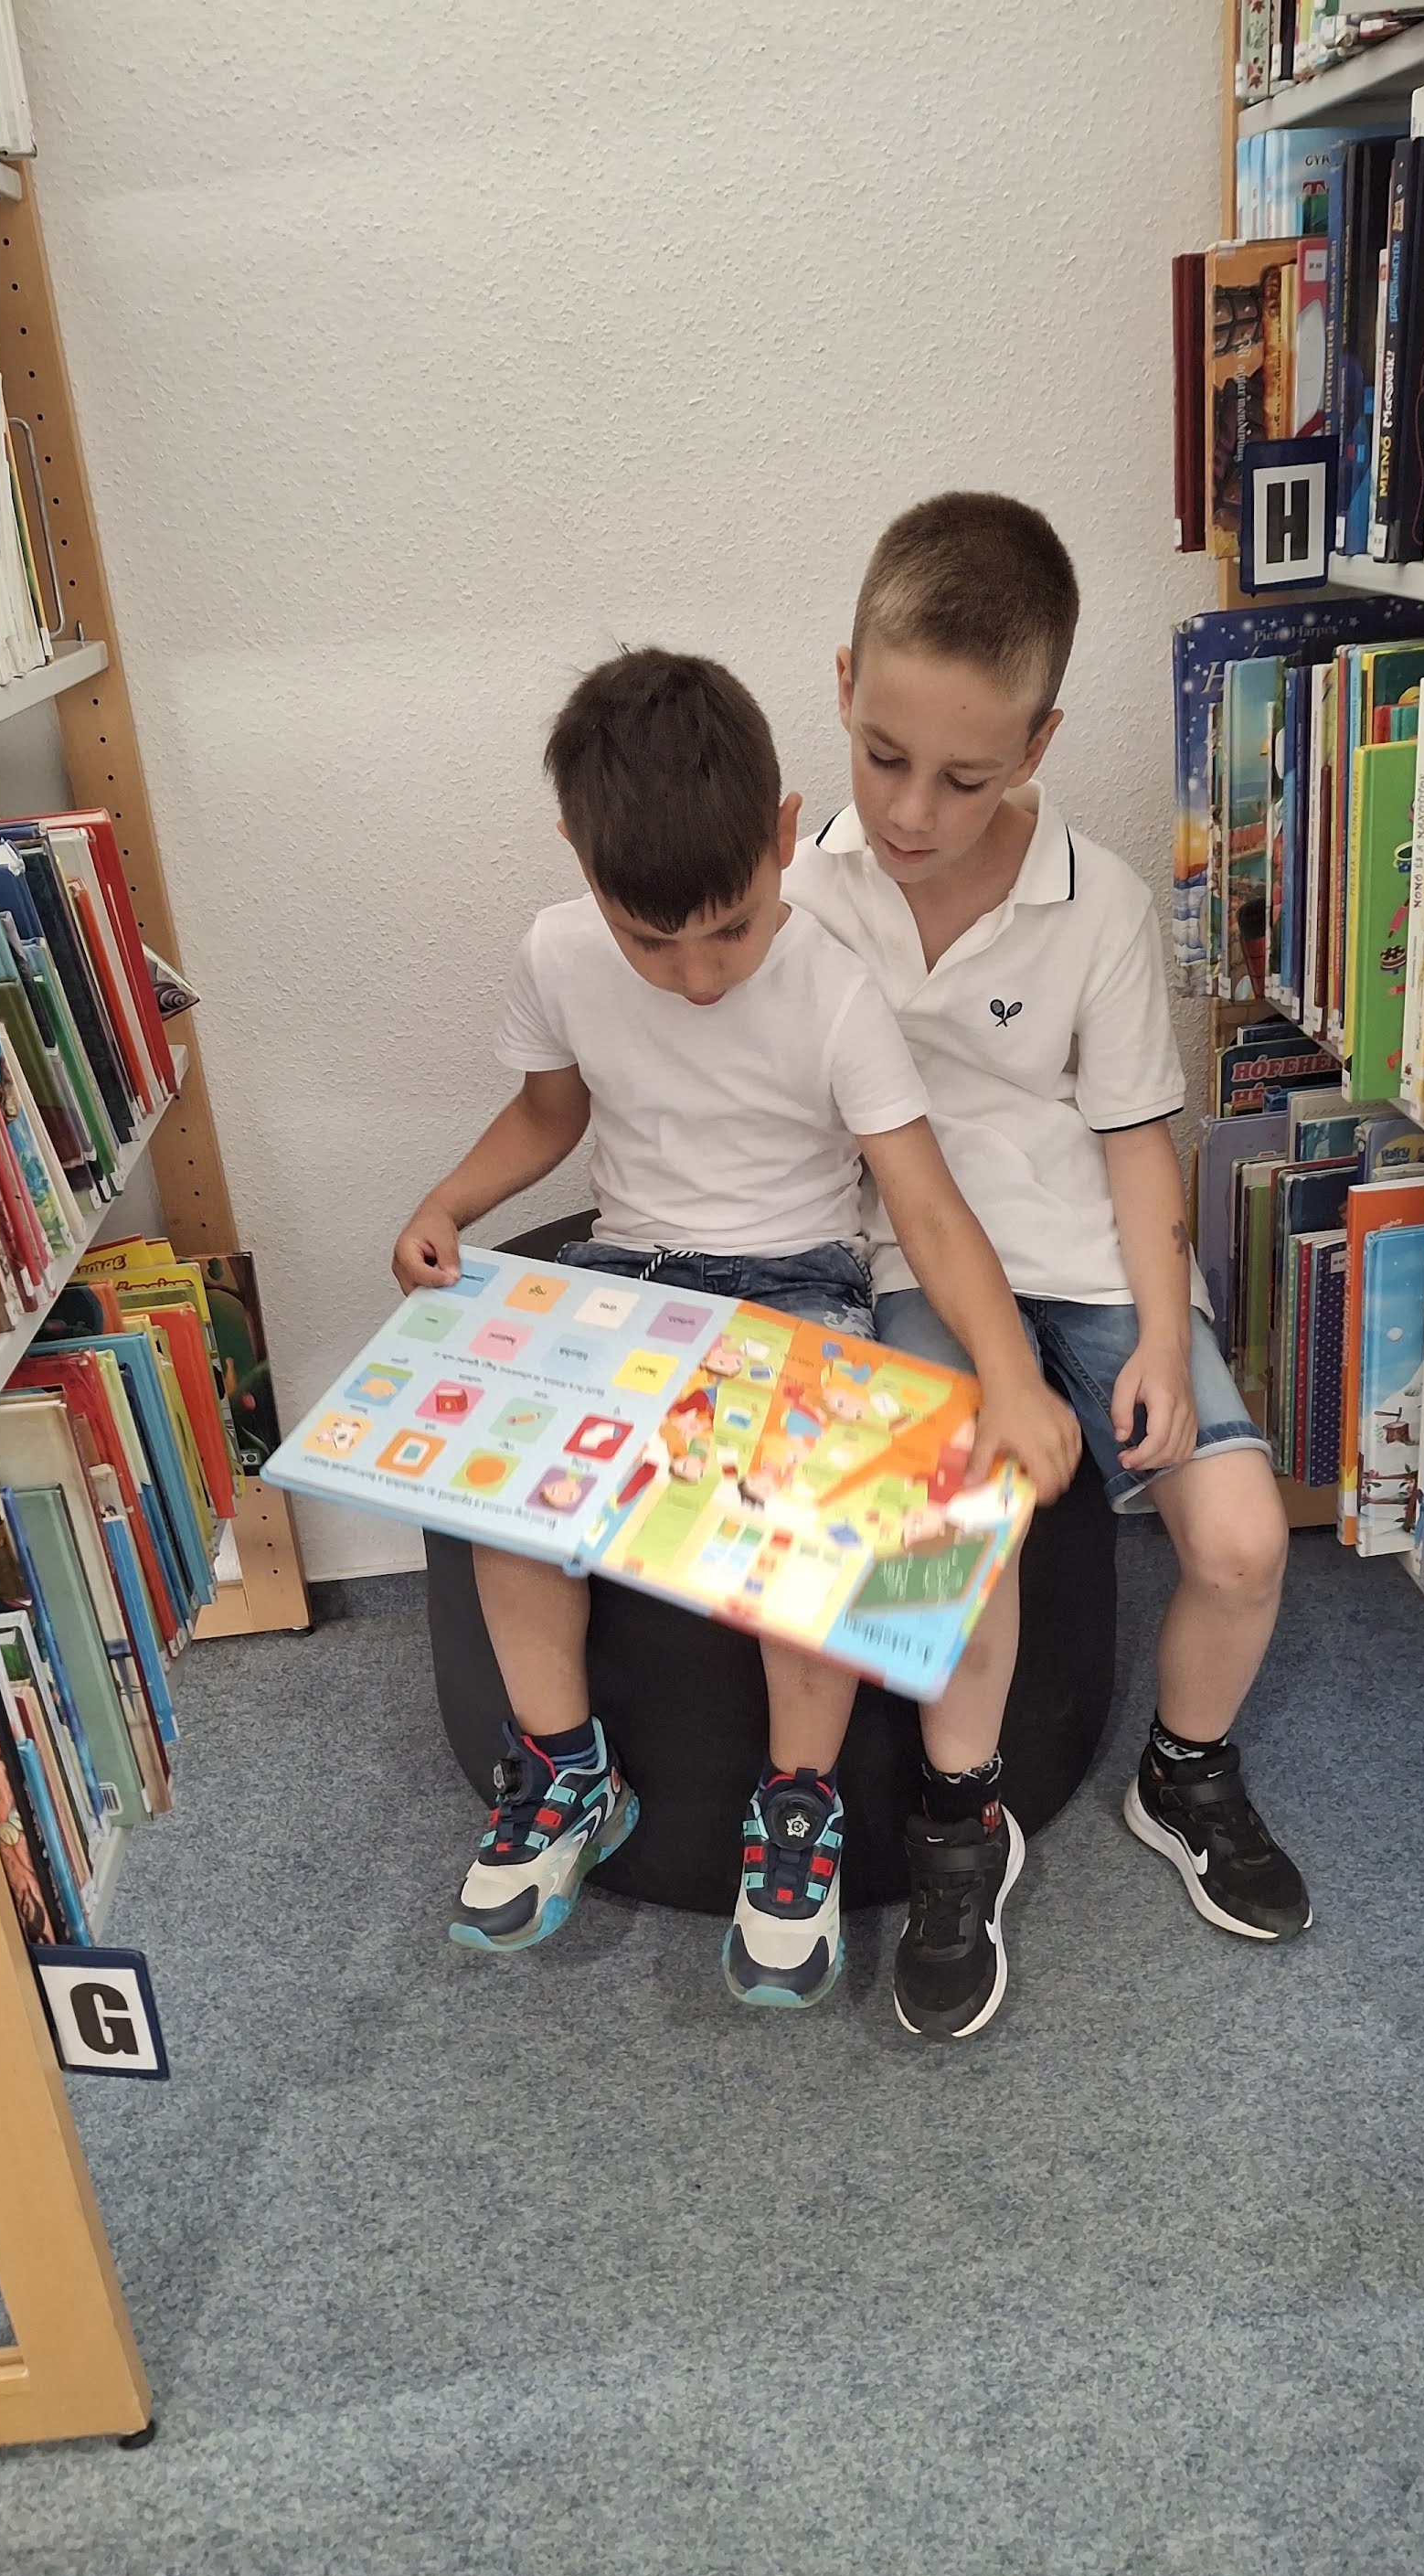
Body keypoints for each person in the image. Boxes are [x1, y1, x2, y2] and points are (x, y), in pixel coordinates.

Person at [392, 648, 1079, 2010]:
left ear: (781, 838)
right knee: (503, 1495)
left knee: (810, 1546)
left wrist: (1009, 1376)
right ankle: (569, 1773)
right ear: (579, 857)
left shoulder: (831, 985)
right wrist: (448, 1202)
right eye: (653, 944)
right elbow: (549, 1111)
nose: (697, 977)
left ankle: (798, 1802)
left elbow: (924, 1205)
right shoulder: (557, 952)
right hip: (627, 1274)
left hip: (795, 1286)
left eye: (729, 929)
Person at [788, 493, 1310, 2044]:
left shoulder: (1101, 904)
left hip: (1089, 1255)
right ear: (842, 687)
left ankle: (1185, 1770)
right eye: (883, 756)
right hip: (909, 1263)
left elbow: (1141, 1141)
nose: (911, 811)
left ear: (1038, 744)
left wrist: (1159, 1333)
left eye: (964, 778)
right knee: (956, 1543)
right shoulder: (799, 896)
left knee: (1241, 1539)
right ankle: (964, 1821)